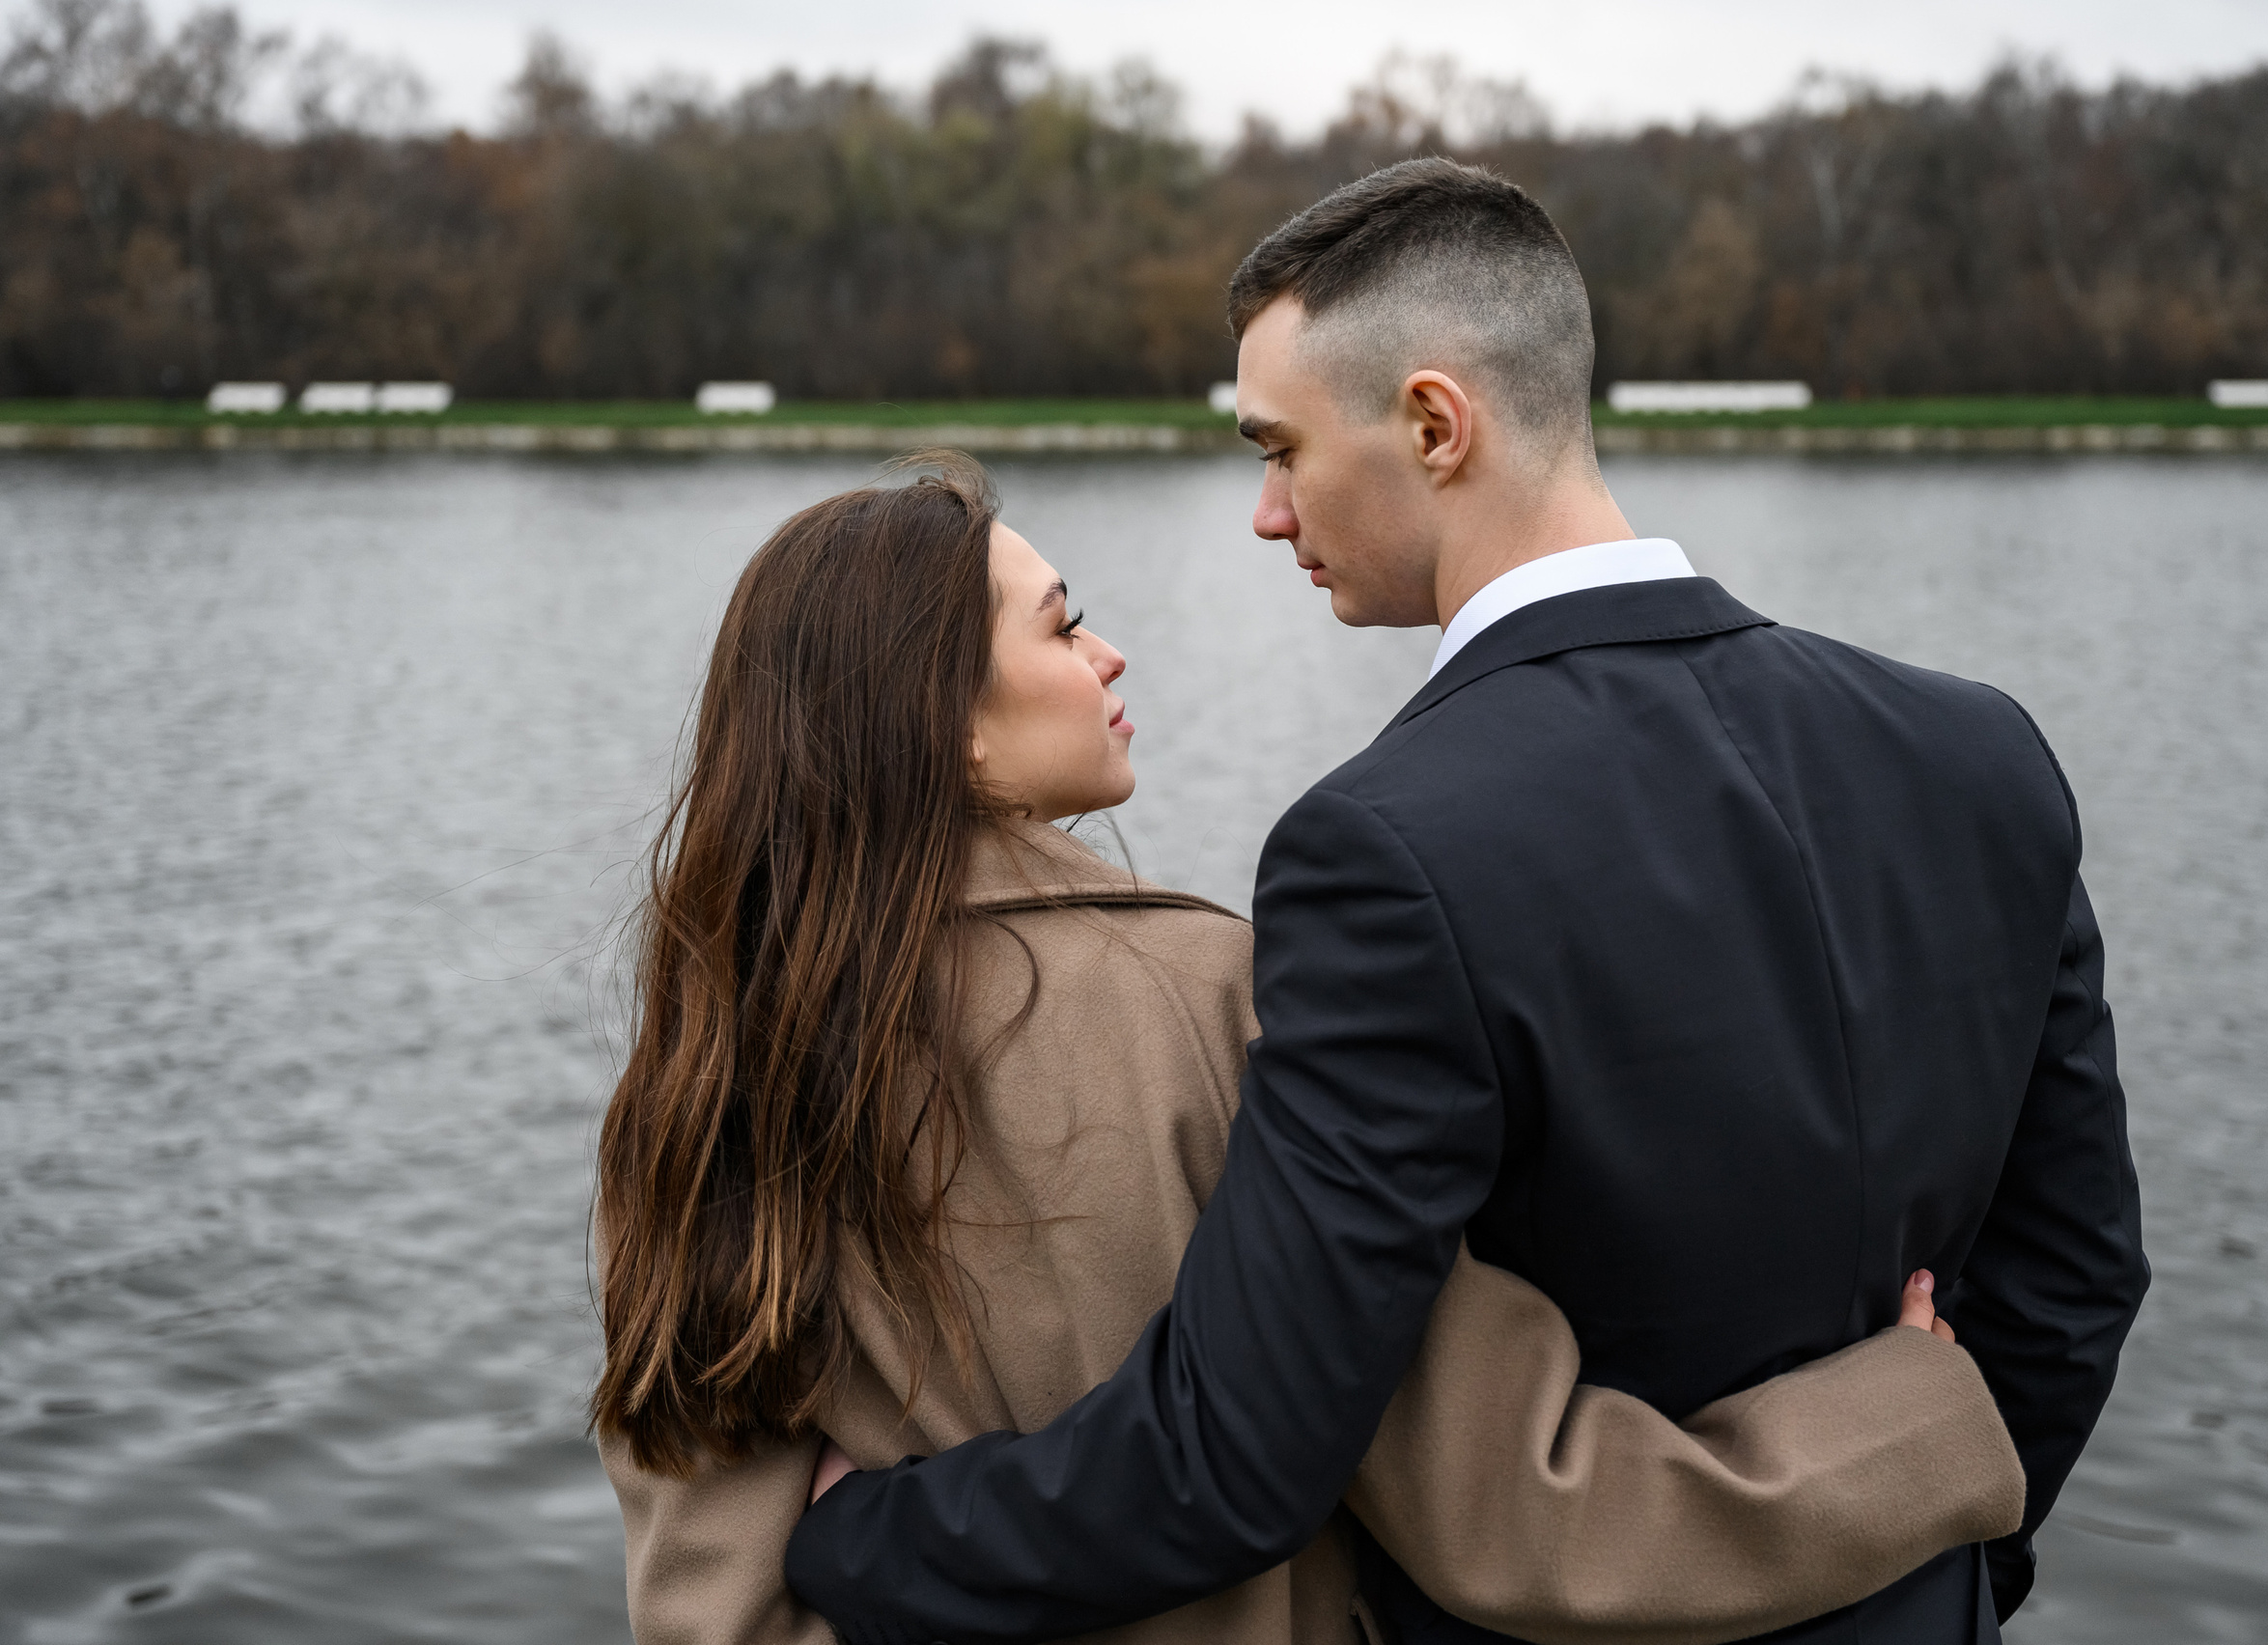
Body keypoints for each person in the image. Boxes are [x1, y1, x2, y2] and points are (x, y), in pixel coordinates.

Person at [783, 161, 2149, 1645]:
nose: (1265, 514)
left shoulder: (1385, 852)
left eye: (1281, 449)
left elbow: (1235, 1453)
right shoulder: (1982, 754)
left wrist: (854, 1541)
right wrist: (1952, 1581)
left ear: (1435, 425)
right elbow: (2076, 1280)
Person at [590, 457, 2029, 1645]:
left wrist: (857, 1544)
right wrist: (1909, 1428)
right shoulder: (1217, 1005)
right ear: (949, 731)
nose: (1108, 652)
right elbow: (1503, 1502)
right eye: (1062, 627)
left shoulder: (701, 1071)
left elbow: (711, 1594)